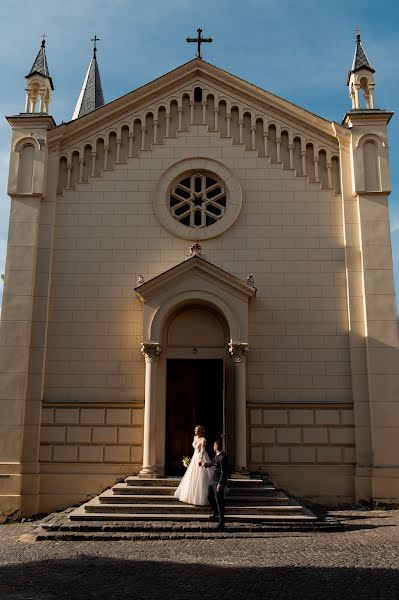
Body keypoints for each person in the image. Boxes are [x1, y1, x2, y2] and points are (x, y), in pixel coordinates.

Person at [174, 425, 211, 505]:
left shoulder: (203, 440)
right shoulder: (194, 438)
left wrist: (200, 459)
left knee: (200, 476)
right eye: (195, 430)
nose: (196, 432)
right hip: (195, 456)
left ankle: (200, 497)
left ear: (200, 431)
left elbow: (202, 450)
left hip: (200, 457)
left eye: (197, 430)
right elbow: (195, 449)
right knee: (191, 476)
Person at [199, 439, 228, 530]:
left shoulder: (223, 457)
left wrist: (220, 483)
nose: (213, 447)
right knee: (209, 496)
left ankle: (222, 522)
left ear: (217, 447)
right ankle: (215, 512)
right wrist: (204, 464)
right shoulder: (217, 456)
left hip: (218, 482)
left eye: (214, 445)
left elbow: (224, 472)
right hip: (213, 481)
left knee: (220, 502)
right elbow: (212, 463)